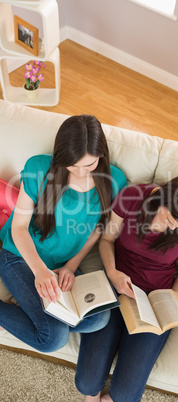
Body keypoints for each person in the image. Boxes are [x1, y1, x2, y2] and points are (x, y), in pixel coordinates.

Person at [75, 174, 178, 402]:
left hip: (152, 301)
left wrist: (169, 303)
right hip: (114, 288)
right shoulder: (132, 198)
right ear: (163, 199)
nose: (172, 229)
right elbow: (107, 240)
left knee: (126, 396)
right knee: (86, 384)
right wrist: (112, 273)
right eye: (170, 220)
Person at [0, 115, 127, 353]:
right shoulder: (38, 168)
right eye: (72, 165)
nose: (80, 172)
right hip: (20, 257)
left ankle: (23, 314)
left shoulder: (114, 180)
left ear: (101, 156)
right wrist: (39, 272)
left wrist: (71, 265)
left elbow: (97, 229)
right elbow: (18, 228)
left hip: (61, 266)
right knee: (52, 339)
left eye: (89, 165)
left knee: (98, 319)